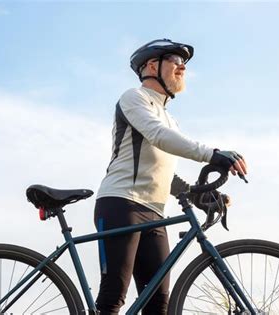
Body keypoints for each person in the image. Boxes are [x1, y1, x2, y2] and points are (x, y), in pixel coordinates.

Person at [94, 38, 248, 315]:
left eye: (184, 64)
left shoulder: (170, 118)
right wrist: (212, 154)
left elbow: (161, 168)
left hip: (155, 213)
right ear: (152, 66)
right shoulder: (134, 97)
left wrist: (196, 194)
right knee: (113, 298)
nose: (183, 68)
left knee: (158, 305)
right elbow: (159, 136)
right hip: (121, 203)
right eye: (176, 61)